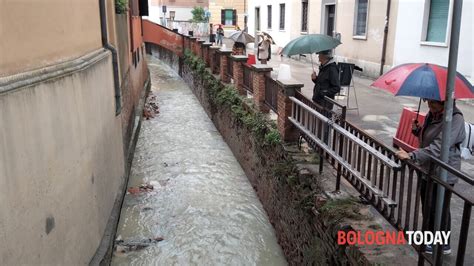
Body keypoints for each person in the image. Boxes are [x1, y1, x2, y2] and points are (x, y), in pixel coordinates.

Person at [396, 99, 465, 255]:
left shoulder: (455, 118)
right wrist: (417, 130)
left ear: (445, 101)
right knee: (429, 205)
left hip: (444, 171)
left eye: (434, 102)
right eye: (429, 101)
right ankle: (435, 240)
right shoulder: (433, 114)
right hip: (428, 167)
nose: (430, 105)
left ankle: (440, 244)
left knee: (438, 208)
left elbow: (439, 147)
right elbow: (427, 138)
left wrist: (412, 155)